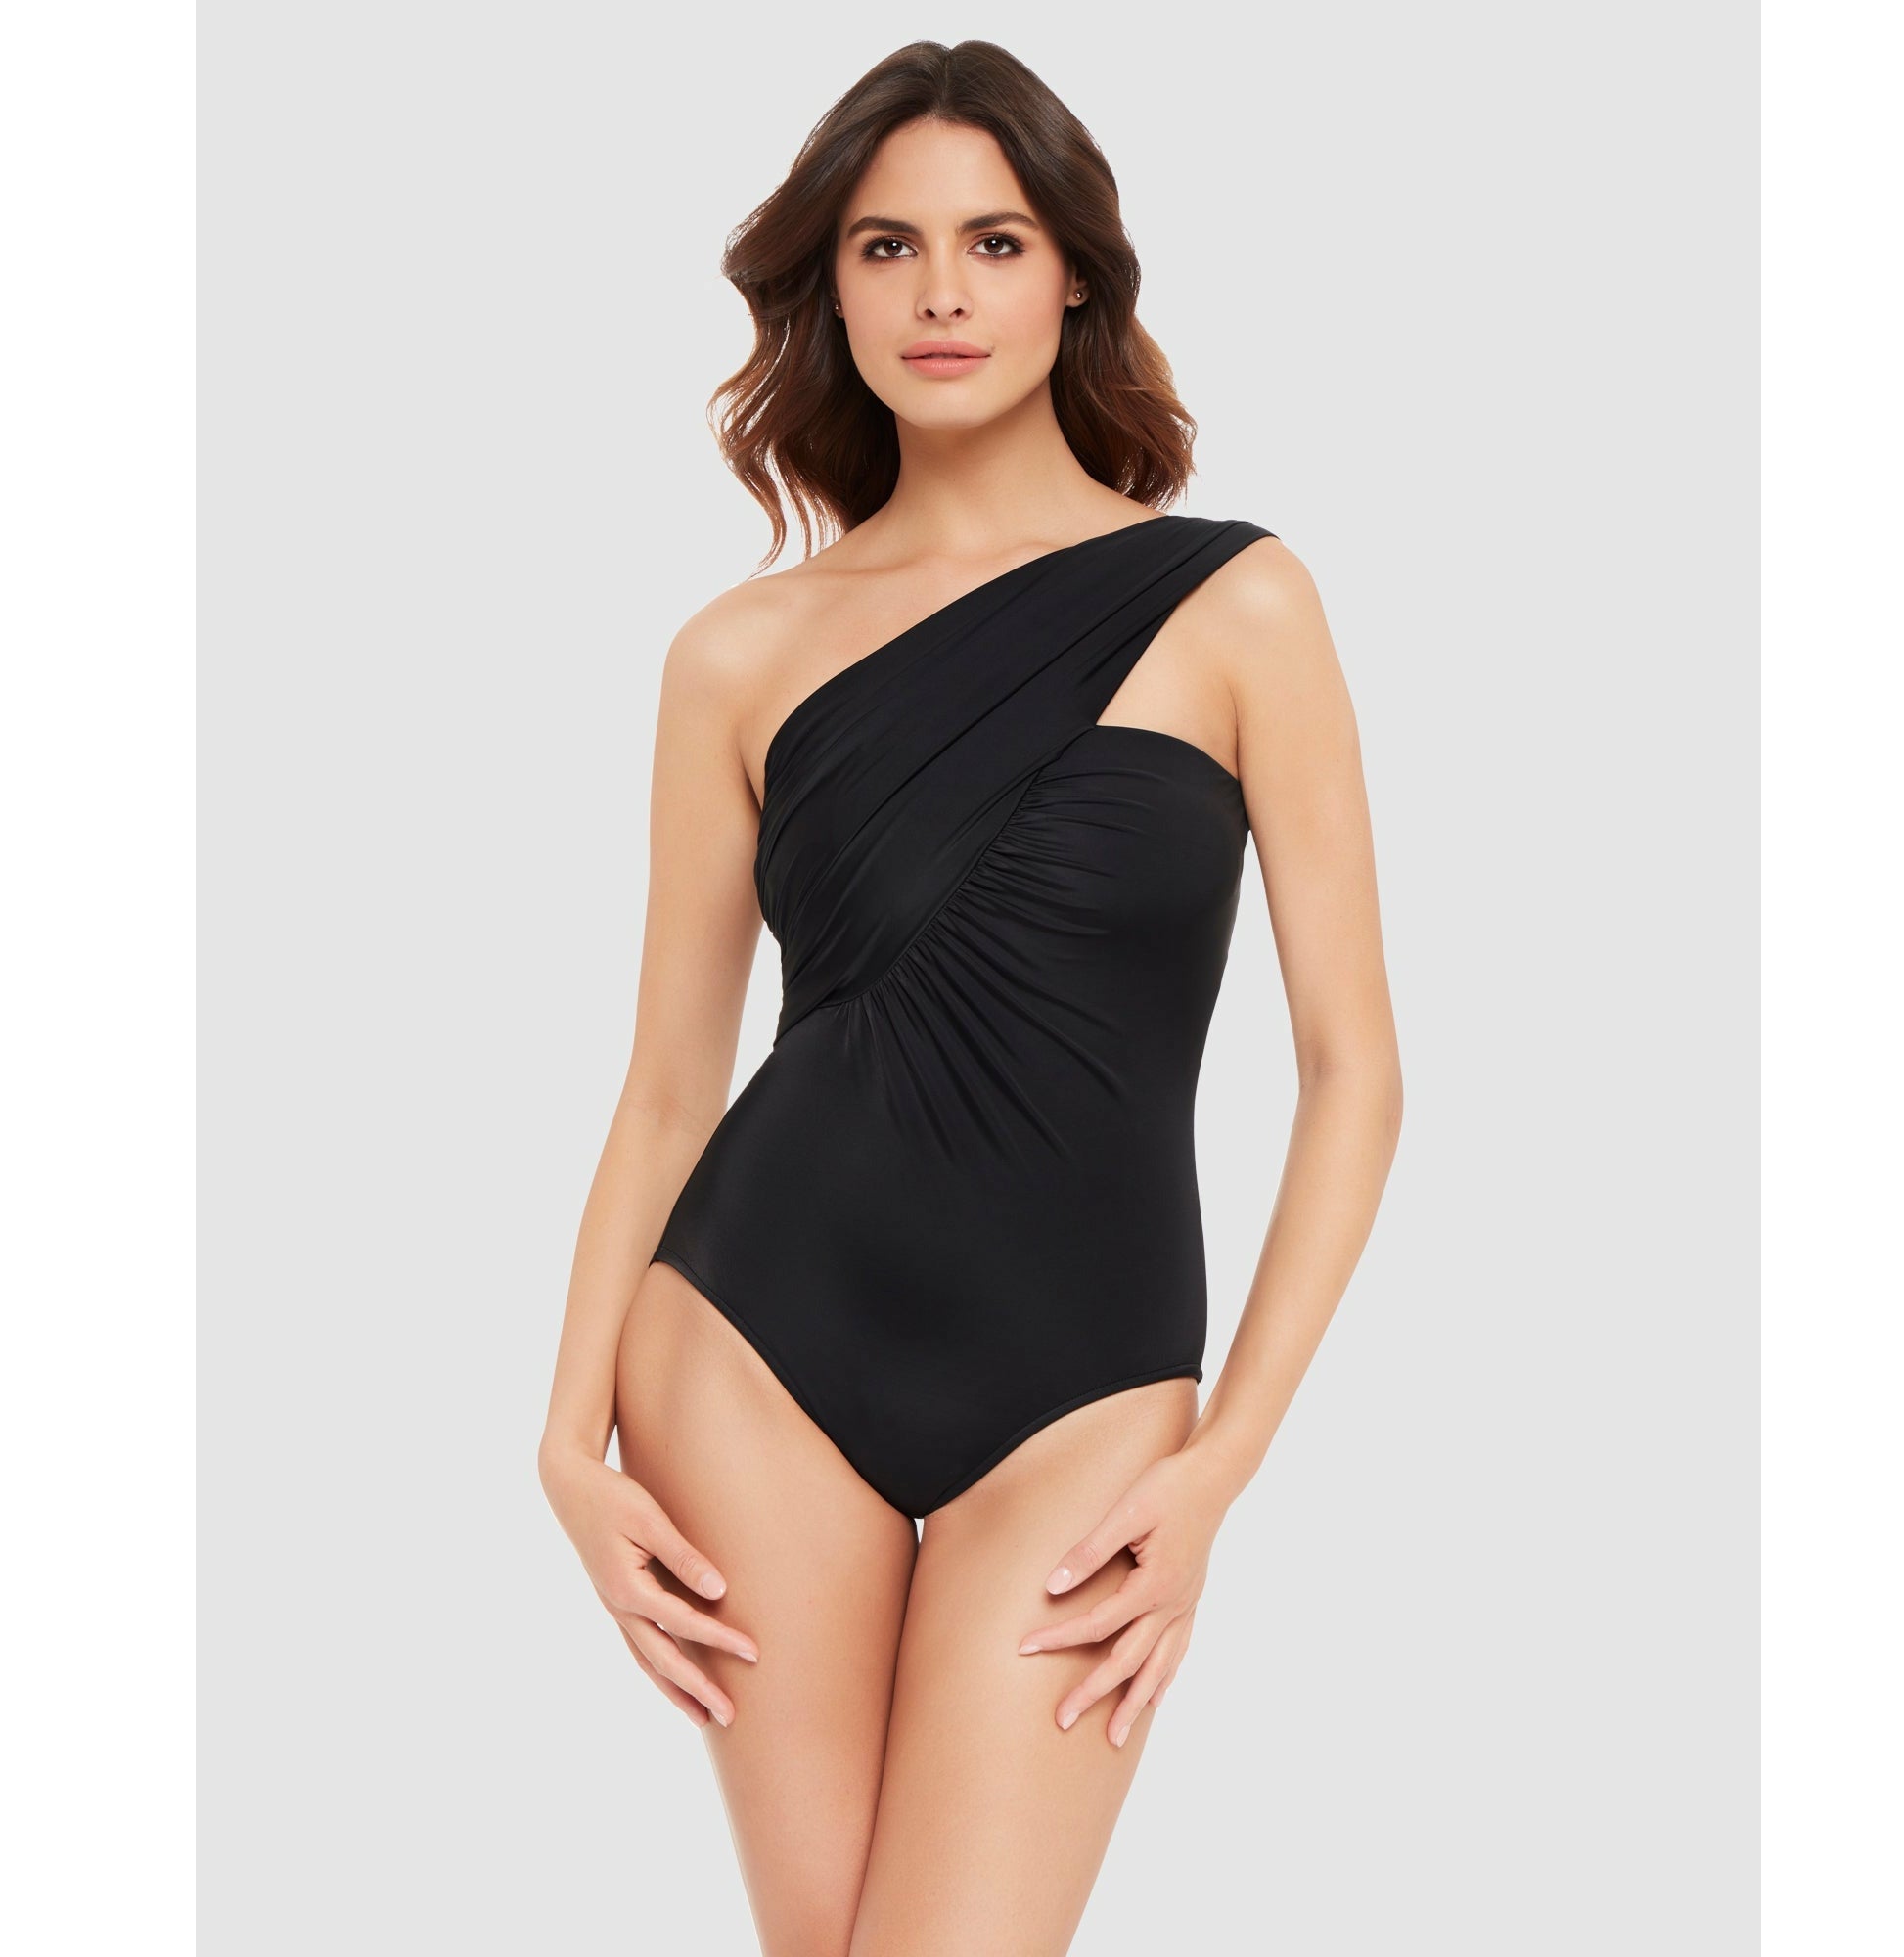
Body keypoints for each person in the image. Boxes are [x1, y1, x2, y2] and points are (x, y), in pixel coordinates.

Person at [538, 38, 1403, 1955]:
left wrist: (1225, 1462)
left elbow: (1354, 1069)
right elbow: (669, 1086)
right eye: (888, 247)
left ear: (1074, 274)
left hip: (1090, 1386)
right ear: (831, 290)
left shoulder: (1238, 602)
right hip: (751, 1348)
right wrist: (561, 1442)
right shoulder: (736, 652)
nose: (941, 293)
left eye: (994, 242)